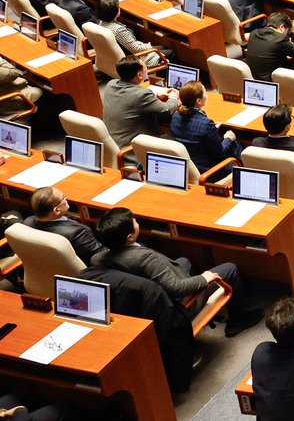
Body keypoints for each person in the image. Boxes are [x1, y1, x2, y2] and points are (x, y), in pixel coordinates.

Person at [94, 206, 260, 335]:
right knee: (230, 269)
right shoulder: (146, 259)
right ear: (130, 237)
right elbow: (176, 288)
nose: (137, 221)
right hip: (179, 305)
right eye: (134, 221)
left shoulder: (98, 258)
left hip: (146, 303)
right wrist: (204, 279)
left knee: (183, 262)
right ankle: (237, 321)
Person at [101, 57, 177, 151]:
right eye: (145, 68)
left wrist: (156, 97)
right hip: (131, 150)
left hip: (113, 145)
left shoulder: (111, 84)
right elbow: (166, 110)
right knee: (174, 139)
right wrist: (174, 97)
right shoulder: (141, 94)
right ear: (139, 75)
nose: (147, 70)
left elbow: (130, 101)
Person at [169, 81, 241, 174]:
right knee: (235, 144)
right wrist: (228, 138)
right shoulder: (206, 124)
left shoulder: (176, 115)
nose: (207, 95)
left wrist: (212, 129)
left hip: (189, 165)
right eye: (205, 92)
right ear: (198, 101)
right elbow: (221, 154)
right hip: (209, 170)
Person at [24, 186, 105, 265]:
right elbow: (101, 255)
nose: (66, 198)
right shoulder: (77, 233)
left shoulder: (28, 222)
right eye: (63, 197)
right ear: (57, 210)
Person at [93, 0, 162, 68]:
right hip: (131, 60)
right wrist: (148, 46)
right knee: (170, 52)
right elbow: (136, 49)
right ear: (114, 12)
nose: (119, 8)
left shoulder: (101, 23)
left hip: (115, 57)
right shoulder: (118, 30)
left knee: (162, 47)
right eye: (118, 8)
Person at [244, 12, 294, 81]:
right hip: (270, 81)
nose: (286, 35)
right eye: (287, 31)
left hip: (251, 77)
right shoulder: (280, 39)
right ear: (281, 27)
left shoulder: (254, 33)